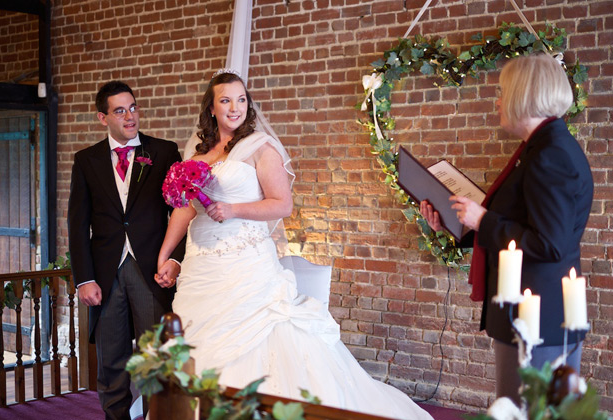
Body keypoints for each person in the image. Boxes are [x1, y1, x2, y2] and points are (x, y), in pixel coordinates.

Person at [154, 70, 432, 420]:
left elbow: (281, 204)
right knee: (194, 342)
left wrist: (233, 209)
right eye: (225, 100)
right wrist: (166, 255)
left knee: (263, 338)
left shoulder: (259, 147)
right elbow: (184, 209)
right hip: (200, 265)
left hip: (246, 265)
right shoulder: (196, 153)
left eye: (241, 99)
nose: (234, 107)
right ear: (211, 108)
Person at [420, 53, 594, 404]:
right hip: (533, 310)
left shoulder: (550, 154)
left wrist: (482, 219)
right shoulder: (540, 148)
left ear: (523, 94)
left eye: (502, 90)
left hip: (537, 316)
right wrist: (456, 225)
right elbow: (521, 224)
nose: (498, 100)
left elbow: (550, 243)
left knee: (523, 410)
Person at [68, 80, 185, 420]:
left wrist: (176, 259)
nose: (130, 116)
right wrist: (84, 279)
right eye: (120, 110)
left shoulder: (164, 152)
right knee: (112, 363)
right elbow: (77, 225)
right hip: (105, 276)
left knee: (155, 362)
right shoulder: (86, 161)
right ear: (102, 117)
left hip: (152, 272)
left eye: (133, 107)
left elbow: (181, 211)